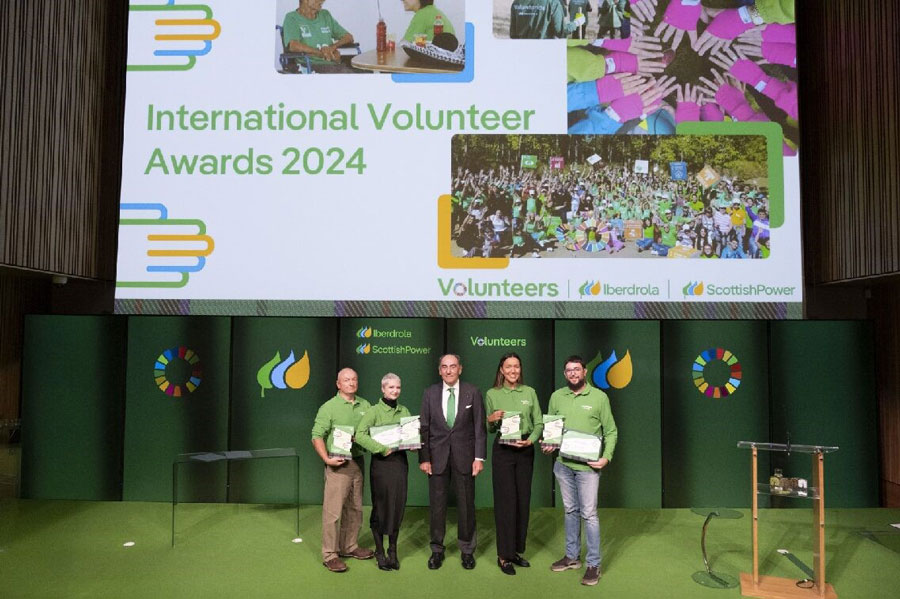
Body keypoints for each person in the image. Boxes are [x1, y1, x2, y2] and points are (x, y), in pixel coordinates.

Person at [542, 356, 617, 587]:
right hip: (563, 465)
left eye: (577, 369)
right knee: (570, 511)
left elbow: (611, 431)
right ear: (565, 374)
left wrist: (606, 457)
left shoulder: (599, 397)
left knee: (589, 514)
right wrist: (549, 444)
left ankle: (593, 564)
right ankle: (572, 557)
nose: (573, 373)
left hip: (588, 469)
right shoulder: (557, 396)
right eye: (568, 370)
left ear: (584, 371)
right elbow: (552, 429)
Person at [419, 354, 487, 570]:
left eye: (453, 366)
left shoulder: (472, 392)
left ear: (460, 369)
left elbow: (479, 428)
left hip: (465, 458)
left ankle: (467, 550)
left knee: (466, 505)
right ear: (439, 370)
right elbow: (424, 428)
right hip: (436, 458)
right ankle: (437, 550)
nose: (449, 370)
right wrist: (424, 458)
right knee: (437, 507)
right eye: (444, 367)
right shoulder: (429, 393)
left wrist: (478, 457)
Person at [310, 368, 375, 572]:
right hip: (338, 464)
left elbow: (372, 431)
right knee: (333, 512)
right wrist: (326, 459)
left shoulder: (365, 405)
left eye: (354, 379)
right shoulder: (329, 407)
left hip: (357, 461)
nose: (351, 382)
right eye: (346, 380)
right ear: (338, 384)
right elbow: (316, 435)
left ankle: (349, 546)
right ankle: (330, 554)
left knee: (355, 508)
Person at [484, 353, 543, 575]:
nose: (513, 371)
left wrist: (531, 439)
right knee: (505, 503)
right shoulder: (492, 394)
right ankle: (503, 556)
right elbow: (489, 429)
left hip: (525, 449)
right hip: (503, 451)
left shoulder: (530, 393)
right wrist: (490, 420)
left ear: (520, 369)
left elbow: (538, 422)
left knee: (522, 501)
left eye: (516, 367)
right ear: (501, 370)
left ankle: (516, 551)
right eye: (508, 367)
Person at [355, 373, 412, 571]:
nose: (395, 391)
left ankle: (393, 552)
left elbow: (410, 435)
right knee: (381, 507)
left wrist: (412, 444)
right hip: (381, 464)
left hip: (400, 464)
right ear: (383, 389)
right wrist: (380, 448)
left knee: (397, 506)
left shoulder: (404, 410)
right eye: (391, 388)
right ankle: (380, 552)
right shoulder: (373, 411)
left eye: (398, 387)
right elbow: (359, 436)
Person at [281, 0, 357, 74]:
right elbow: (293, 45)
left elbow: (348, 37)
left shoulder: (325, 15)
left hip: (334, 64)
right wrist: (321, 53)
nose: (323, 0)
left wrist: (332, 48)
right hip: (310, 66)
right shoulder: (292, 18)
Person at [510, 0, 585, 39]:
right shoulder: (552, 3)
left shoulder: (516, 2)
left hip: (522, 51)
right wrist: (577, 22)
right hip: (544, 50)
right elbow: (561, 31)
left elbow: (513, 34)